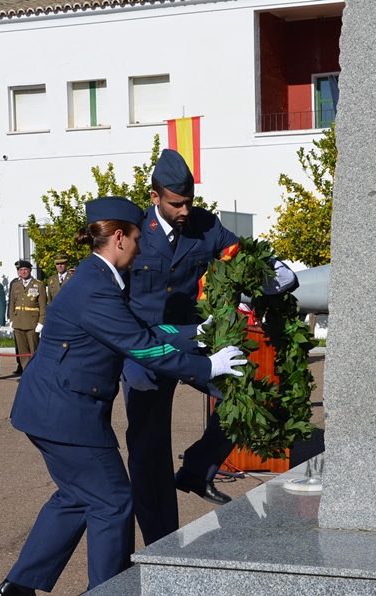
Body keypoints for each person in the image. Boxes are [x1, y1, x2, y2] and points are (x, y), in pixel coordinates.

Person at [0, 196, 246, 596]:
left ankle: (18, 586)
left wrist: (195, 333)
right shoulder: (96, 286)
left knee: (76, 498)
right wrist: (206, 367)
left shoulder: (101, 277)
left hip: (51, 409)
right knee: (112, 502)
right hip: (67, 414)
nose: (142, 246)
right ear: (120, 238)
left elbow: (137, 329)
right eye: (136, 238)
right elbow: (139, 346)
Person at [123, 149, 297, 546]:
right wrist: (126, 358)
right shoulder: (132, 229)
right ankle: (160, 541)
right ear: (155, 198)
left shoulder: (205, 225)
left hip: (195, 341)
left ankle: (198, 467)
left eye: (189, 201)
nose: (185, 210)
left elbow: (243, 256)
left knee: (251, 399)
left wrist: (275, 271)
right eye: (176, 203)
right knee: (149, 450)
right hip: (144, 348)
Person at [8, 260, 45, 375]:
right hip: (19, 321)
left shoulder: (38, 285)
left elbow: (43, 305)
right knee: (22, 351)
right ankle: (26, 373)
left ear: (30, 270)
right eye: (21, 270)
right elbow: (12, 303)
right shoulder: (16, 285)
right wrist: (11, 319)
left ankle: (36, 372)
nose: (23, 272)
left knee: (34, 349)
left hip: (32, 322)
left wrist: (41, 322)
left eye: (25, 269)